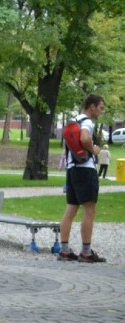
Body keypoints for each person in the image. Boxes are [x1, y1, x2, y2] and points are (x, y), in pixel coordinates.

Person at [59, 94, 106, 263]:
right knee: (89, 210)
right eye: (100, 107)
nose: (102, 111)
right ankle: (86, 251)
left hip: (72, 169)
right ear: (92, 106)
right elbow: (85, 138)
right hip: (85, 170)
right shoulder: (87, 122)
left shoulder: (74, 120)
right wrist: (93, 150)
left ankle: (64, 249)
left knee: (70, 209)